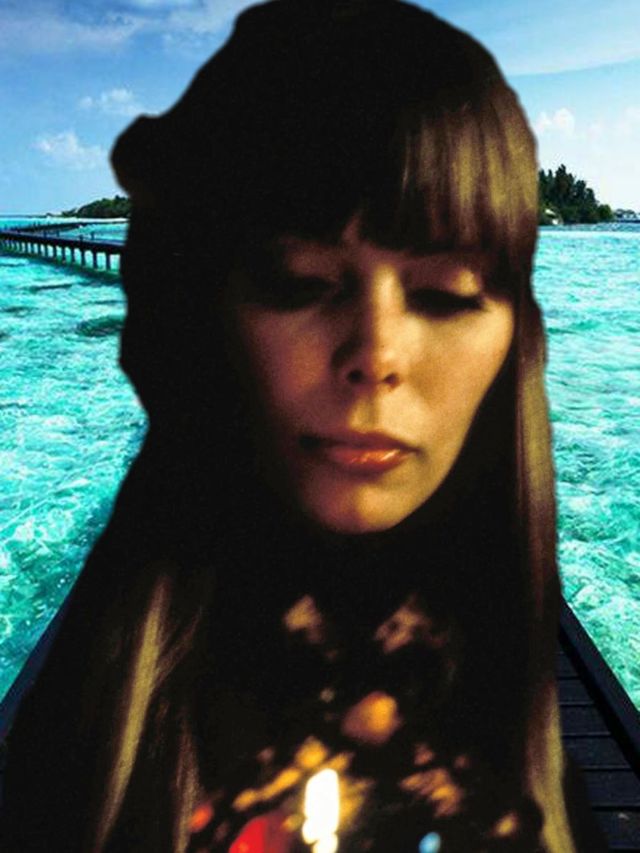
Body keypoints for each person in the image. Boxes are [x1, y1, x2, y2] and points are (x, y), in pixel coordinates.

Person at [1, 1, 606, 851]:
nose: (377, 354)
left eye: (443, 293)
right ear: (205, 320)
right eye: (300, 280)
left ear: (513, 339)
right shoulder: (69, 774)